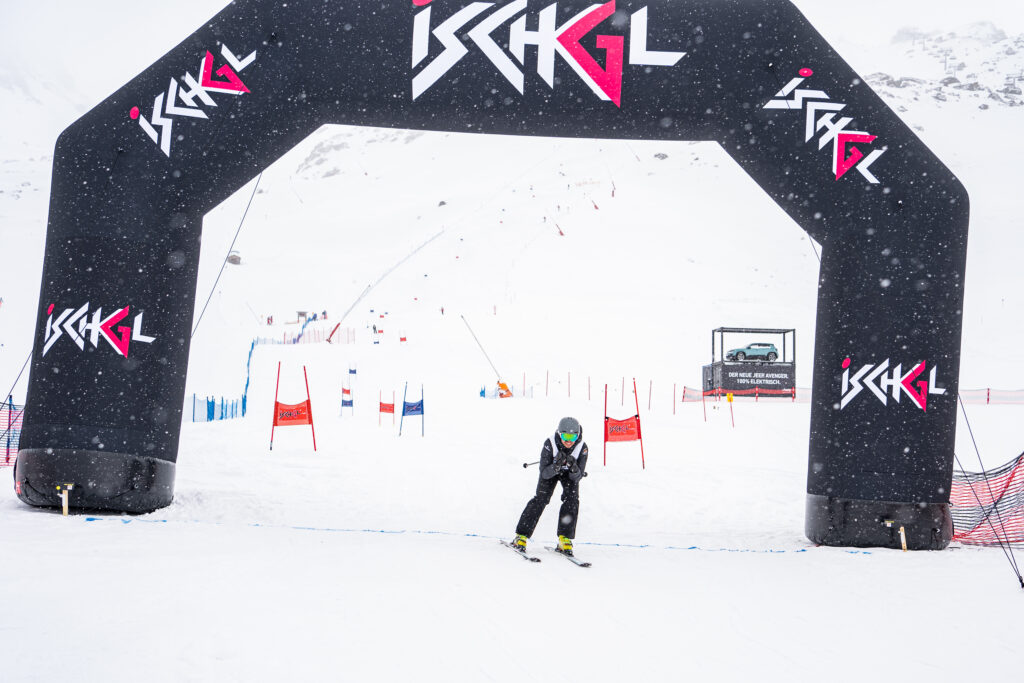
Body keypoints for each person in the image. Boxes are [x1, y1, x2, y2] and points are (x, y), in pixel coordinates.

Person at [511, 416, 588, 556]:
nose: (569, 440)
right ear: (559, 433)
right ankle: (521, 536)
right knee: (541, 499)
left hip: (568, 474)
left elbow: (578, 477)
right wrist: (556, 466)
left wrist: (574, 468)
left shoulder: (581, 448)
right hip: (550, 471)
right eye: (565, 436)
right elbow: (544, 473)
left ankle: (564, 539)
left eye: (573, 436)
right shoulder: (550, 444)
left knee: (572, 499)